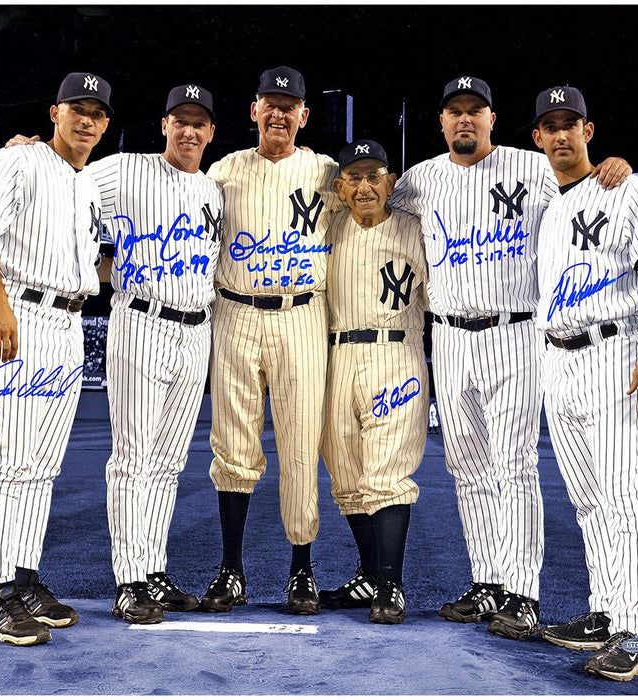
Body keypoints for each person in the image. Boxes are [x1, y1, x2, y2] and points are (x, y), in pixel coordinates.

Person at [388, 75, 630, 640]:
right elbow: (369, 198)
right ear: (442, 121)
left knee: (513, 464)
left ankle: (522, 592)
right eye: (455, 111)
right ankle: (489, 582)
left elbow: (586, 182)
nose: (465, 119)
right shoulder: (420, 180)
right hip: (446, 336)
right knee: (468, 468)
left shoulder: (533, 167)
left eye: (476, 110)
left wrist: (612, 166)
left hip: (514, 330)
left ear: (492, 119)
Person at [530, 85, 638, 681]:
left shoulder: (627, 189)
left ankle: (635, 633)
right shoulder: (552, 203)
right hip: (559, 362)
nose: (561, 134)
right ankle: (604, 611)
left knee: (628, 498)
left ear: (588, 132)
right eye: (550, 125)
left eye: (571, 123)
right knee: (591, 502)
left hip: (616, 355)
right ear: (537, 137)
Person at [0, 72, 112, 646]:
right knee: (12, 459)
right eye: (77, 108)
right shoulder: (18, 162)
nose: (86, 120)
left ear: (105, 124)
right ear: (55, 113)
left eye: (97, 113)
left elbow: (89, 263)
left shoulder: (89, 184)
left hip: (69, 324)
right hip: (21, 315)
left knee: (42, 466)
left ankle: (24, 580)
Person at [199, 66, 339, 615]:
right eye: (270, 103)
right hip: (234, 312)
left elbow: (383, 198)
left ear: (304, 115)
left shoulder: (328, 172)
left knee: (302, 446)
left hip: (301, 314)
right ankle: (231, 570)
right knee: (232, 445)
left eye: (291, 105)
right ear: (254, 110)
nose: (279, 113)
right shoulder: (224, 170)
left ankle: (301, 571)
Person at [89, 85, 223, 623]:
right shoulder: (123, 170)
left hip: (196, 331)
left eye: (200, 123)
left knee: (167, 464)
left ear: (212, 132)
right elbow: (63, 179)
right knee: (133, 459)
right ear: (163, 124)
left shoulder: (214, 191)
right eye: (180, 120)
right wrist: (29, 147)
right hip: (141, 322)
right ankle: (129, 581)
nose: (189, 131)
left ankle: (151, 568)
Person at [318, 139, 428, 624]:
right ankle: (369, 576)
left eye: (374, 176)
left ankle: (391, 586)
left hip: (395, 351)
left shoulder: (418, 230)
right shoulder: (327, 227)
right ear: (340, 186)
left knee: (386, 474)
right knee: (346, 476)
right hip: (336, 354)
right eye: (354, 178)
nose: (365, 187)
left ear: (391, 181)